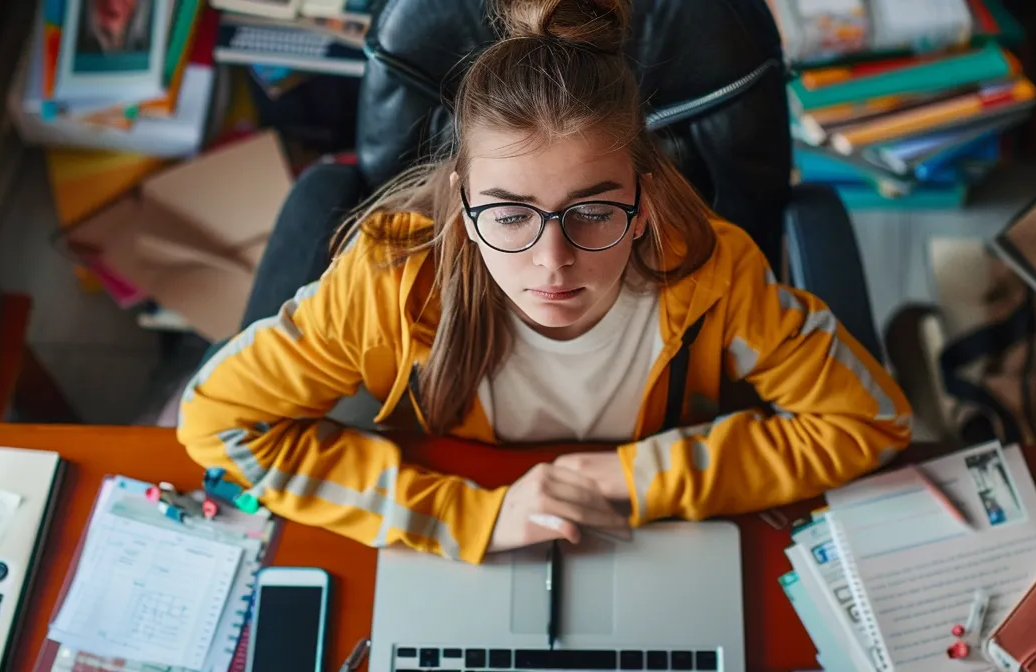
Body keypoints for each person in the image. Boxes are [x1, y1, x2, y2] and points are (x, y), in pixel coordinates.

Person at [178, 0, 912, 565]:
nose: (552, 262)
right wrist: (468, 518)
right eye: (507, 214)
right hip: (469, 531)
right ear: (462, 203)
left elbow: (871, 422)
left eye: (592, 211)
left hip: (650, 531)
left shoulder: (714, 273)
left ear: (645, 195)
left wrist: (636, 477)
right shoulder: (387, 286)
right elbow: (216, 422)